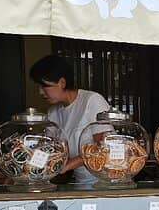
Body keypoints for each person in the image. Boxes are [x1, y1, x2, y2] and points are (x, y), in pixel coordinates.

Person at [29, 54, 111, 185]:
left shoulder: (92, 101)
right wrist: (28, 169)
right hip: (80, 184)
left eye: (44, 86)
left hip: (104, 183)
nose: (40, 92)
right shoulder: (53, 112)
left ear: (62, 83)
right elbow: (48, 149)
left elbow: (103, 147)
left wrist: (66, 166)